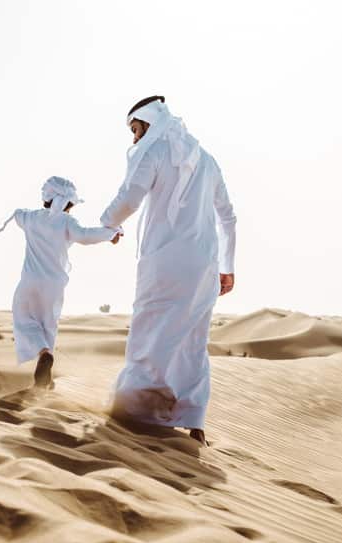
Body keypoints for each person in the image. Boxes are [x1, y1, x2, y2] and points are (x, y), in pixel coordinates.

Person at [100, 96, 237, 444]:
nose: (134, 139)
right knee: (193, 340)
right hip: (204, 265)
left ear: (148, 123)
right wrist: (227, 266)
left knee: (150, 330)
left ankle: (135, 413)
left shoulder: (156, 150)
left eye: (135, 130)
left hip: (165, 262)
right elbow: (228, 217)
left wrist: (108, 224)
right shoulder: (207, 160)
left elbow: (131, 196)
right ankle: (194, 419)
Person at [0, 176, 121, 387]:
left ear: (45, 196)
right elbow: (85, 235)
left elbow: (17, 215)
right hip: (54, 284)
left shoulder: (31, 218)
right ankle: (47, 373)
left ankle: (43, 354)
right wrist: (111, 234)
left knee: (25, 320)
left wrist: (17, 214)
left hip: (30, 280)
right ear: (69, 203)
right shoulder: (66, 221)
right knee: (48, 325)